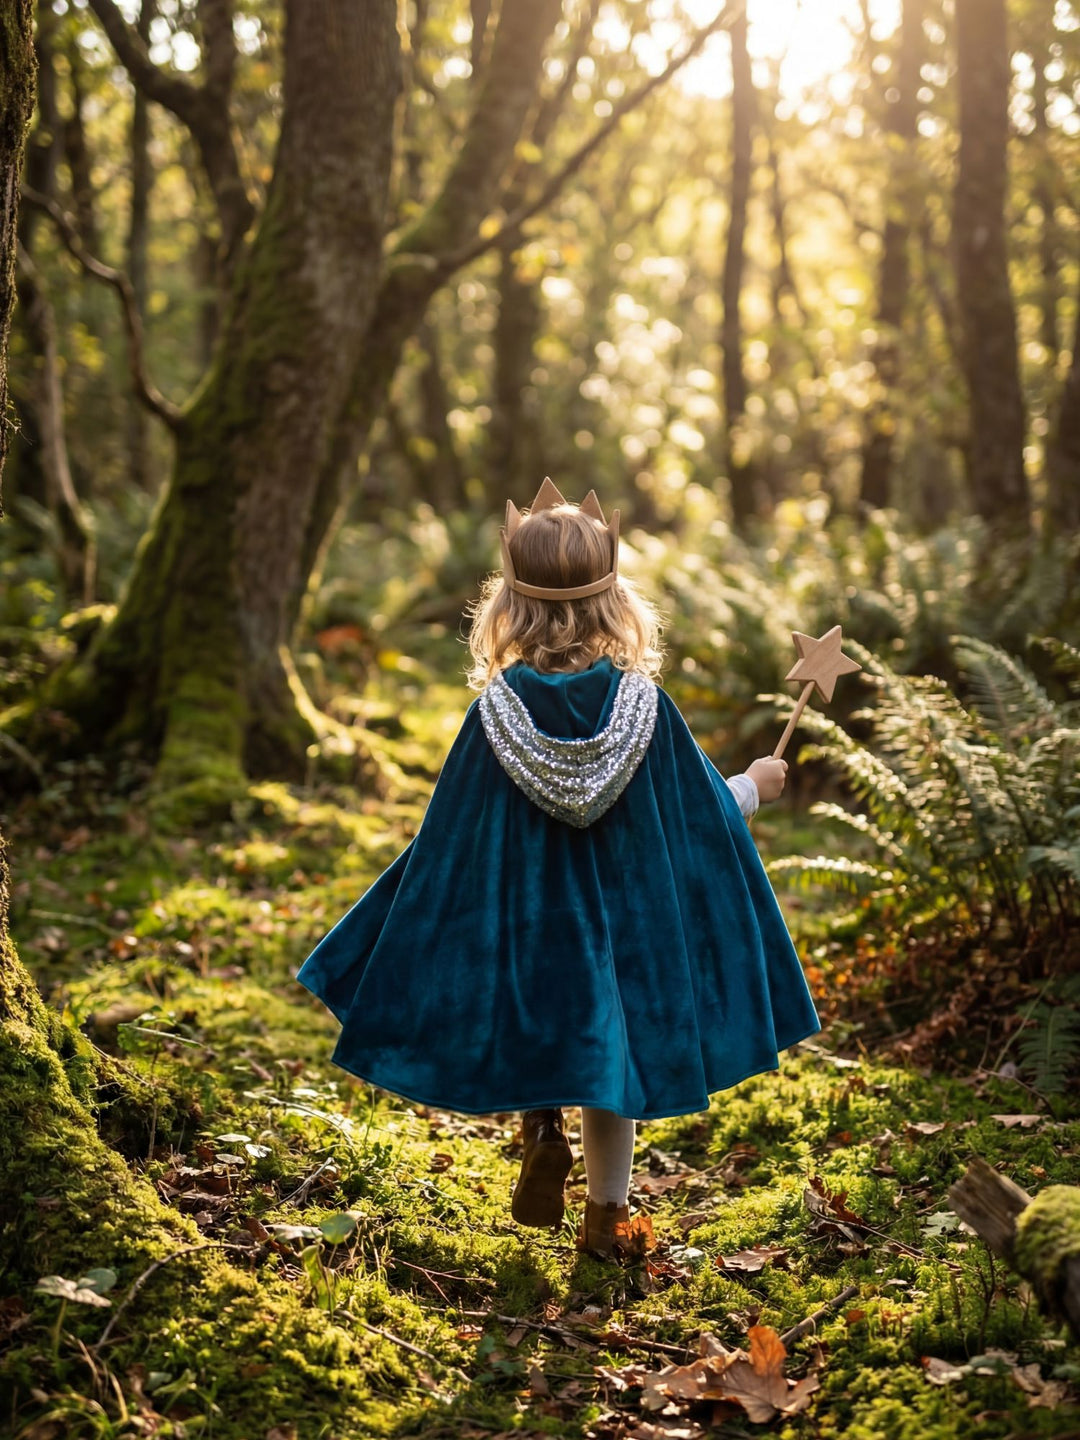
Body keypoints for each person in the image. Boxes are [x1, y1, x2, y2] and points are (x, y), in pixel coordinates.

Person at [296, 479, 821, 1257]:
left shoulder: (494, 714)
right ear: (616, 605)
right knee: (613, 1068)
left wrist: (411, 920)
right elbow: (698, 815)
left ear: (508, 609)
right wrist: (754, 784)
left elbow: (455, 837)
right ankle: (609, 1219)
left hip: (526, 929)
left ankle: (541, 1126)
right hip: (616, 937)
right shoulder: (644, 709)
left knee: (537, 1023)